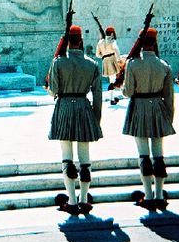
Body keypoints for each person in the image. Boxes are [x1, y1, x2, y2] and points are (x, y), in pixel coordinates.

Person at [48, 24, 103, 215]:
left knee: (67, 157)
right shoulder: (92, 64)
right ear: (81, 41)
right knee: (84, 158)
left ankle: (71, 201)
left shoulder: (58, 62)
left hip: (64, 107)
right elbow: (97, 95)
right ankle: (84, 200)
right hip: (83, 107)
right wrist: (96, 119)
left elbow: (53, 90)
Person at [122, 27, 175, 210]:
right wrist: (168, 118)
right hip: (159, 109)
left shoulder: (133, 64)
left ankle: (148, 195)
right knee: (158, 156)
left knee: (144, 155)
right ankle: (160, 195)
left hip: (139, 108)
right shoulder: (164, 65)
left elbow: (128, 92)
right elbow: (169, 97)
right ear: (155, 43)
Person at [95, 26, 123, 105]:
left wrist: (104, 56)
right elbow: (116, 50)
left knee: (112, 80)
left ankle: (112, 98)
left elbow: (97, 54)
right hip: (112, 60)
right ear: (111, 33)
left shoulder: (100, 42)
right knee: (113, 81)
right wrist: (119, 60)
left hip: (105, 61)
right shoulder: (112, 40)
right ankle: (112, 98)